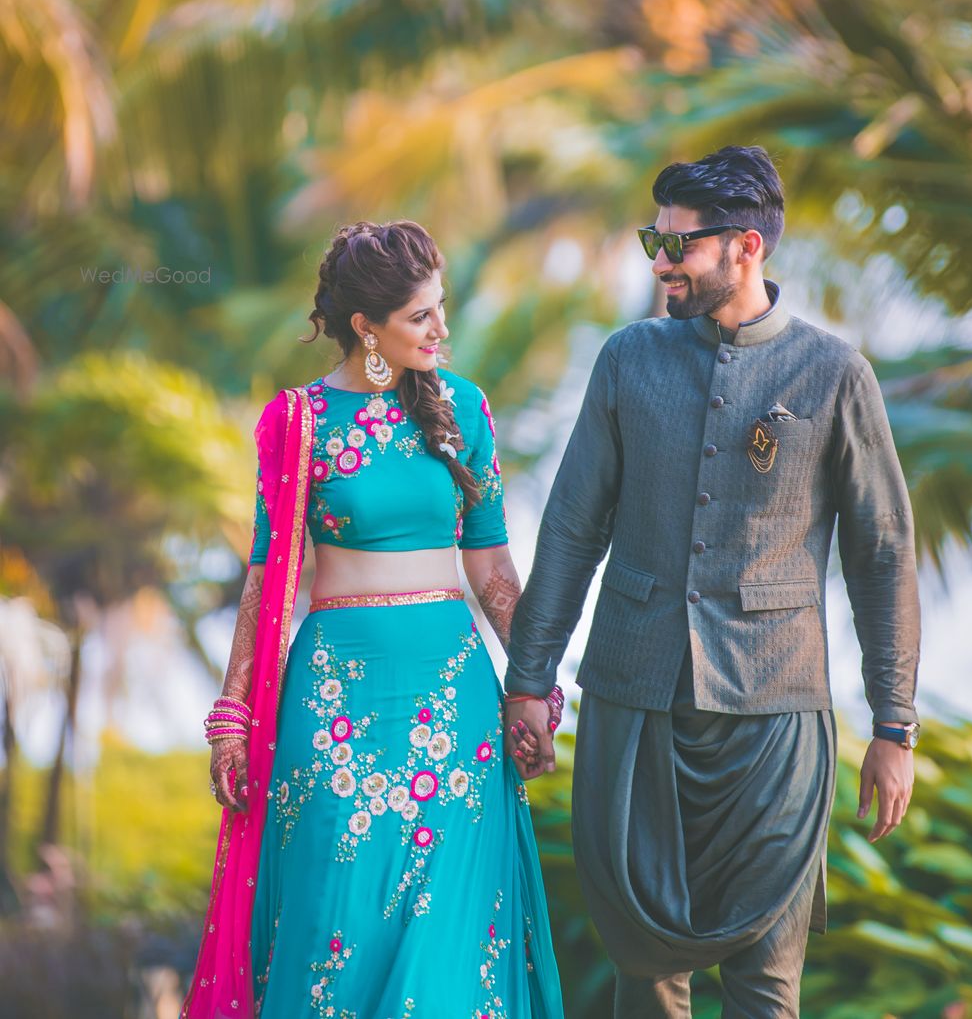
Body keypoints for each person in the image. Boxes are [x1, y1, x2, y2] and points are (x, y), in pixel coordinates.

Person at [504, 145, 921, 1019]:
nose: (659, 261)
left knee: (766, 986)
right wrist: (530, 682)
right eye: (653, 239)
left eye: (677, 244)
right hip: (634, 701)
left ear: (746, 248)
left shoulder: (833, 372)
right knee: (644, 980)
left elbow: (881, 555)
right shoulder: (628, 359)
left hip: (774, 714)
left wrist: (895, 724)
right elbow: (573, 528)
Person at [181, 220, 564, 1019]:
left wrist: (535, 682)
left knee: (450, 943)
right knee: (332, 926)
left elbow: (491, 567)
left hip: (454, 707)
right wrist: (233, 711)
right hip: (333, 709)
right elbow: (268, 579)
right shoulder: (299, 421)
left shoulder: (464, 408)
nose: (442, 329)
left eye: (442, 308)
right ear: (367, 327)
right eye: (422, 316)